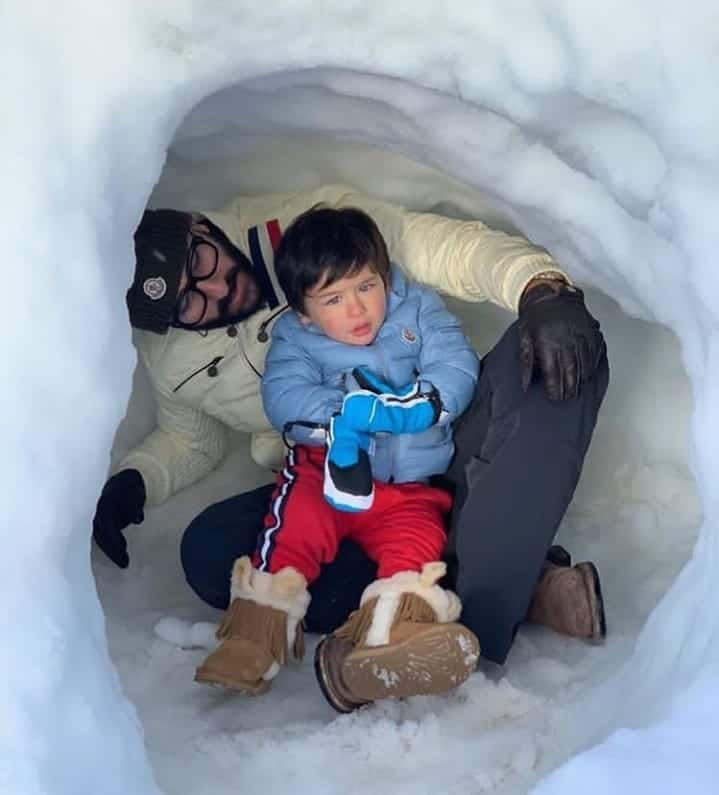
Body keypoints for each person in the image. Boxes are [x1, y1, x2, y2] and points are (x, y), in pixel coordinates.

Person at [92, 183, 608, 693]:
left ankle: (470, 604)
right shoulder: (170, 359)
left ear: (200, 227)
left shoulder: (310, 226)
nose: (215, 291)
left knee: (560, 357)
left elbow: (449, 249)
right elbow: (189, 442)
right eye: (188, 304)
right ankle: (471, 595)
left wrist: (541, 288)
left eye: (201, 264)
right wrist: (135, 481)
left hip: (441, 446)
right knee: (211, 552)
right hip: (337, 475)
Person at [193, 206, 481, 708]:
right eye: (334, 298)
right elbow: (284, 397)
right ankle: (254, 637)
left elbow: (455, 363)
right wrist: (345, 416)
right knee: (292, 532)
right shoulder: (295, 339)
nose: (358, 310)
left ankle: (391, 640)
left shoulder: (417, 310)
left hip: (410, 489)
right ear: (305, 311)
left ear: (384, 275)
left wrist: (423, 405)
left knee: (416, 552)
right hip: (327, 475)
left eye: (367, 286)